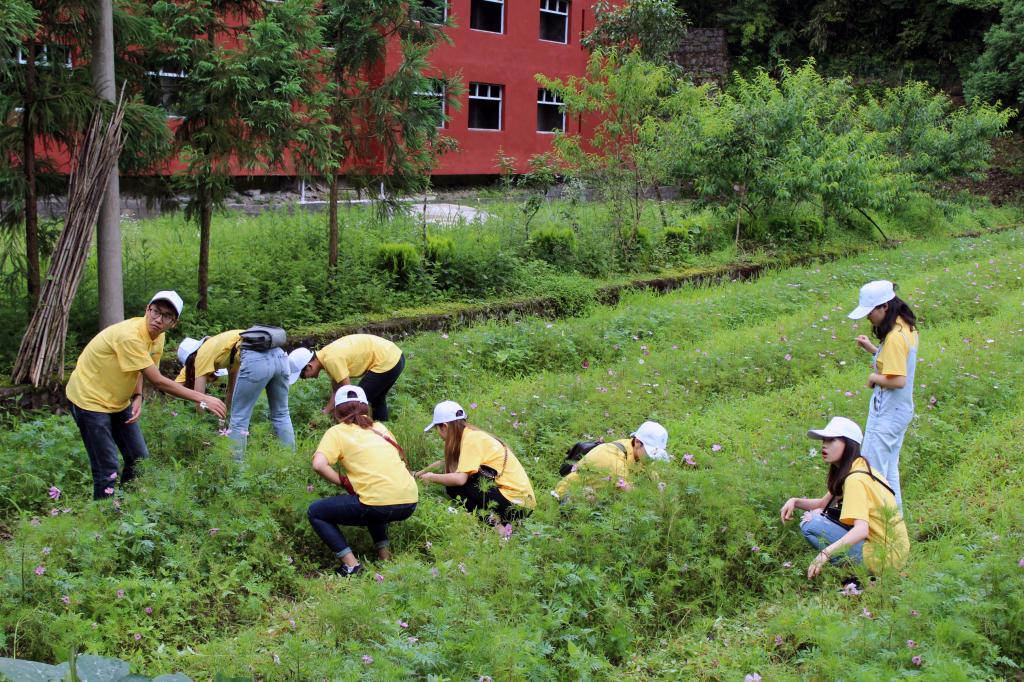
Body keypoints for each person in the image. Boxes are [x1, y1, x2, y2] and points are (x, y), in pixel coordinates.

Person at [66, 291, 227, 499]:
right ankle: (103, 514)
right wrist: (203, 397)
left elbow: (142, 368)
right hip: (89, 400)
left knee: (138, 458)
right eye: (156, 311)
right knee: (107, 468)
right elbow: (158, 380)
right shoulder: (129, 336)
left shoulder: (158, 337)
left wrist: (138, 395)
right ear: (147, 310)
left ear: (174, 323)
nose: (158, 319)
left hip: (117, 401)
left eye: (167, 316)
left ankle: (126, 504)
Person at [780, 416, 910, 582]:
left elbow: (861, 530)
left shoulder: (855, 479)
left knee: (810, 523)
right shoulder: (861, 469)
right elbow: (822, 504)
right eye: (824, 440)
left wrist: (825, 553)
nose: (824, 445)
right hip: (896, 553)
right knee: (818, 514)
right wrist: (795, 501)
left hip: (883, 558)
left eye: (831, 440)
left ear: (848, 444)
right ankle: (862, 577)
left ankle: (859, 578)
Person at [307, 385, 418, 576]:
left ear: (337, 411)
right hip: (409, 500)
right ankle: (385, 557)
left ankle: (351, 565)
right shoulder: (380, 428)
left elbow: (318, 464)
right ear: (366, 407)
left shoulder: (337, 432)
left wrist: (342, 482)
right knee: (371, 497)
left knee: (316, 512)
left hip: (378, 502)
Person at [848, 280, 919, 510]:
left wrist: (873, 378)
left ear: (885, 306)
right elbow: (893, 360)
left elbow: (898, 380)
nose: (868, 317)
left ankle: (876, 524)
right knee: (888, 472)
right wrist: (872, 349)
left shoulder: (895, 337)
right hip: (899, 411)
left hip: (887, 414)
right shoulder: (905, 327)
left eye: (870, 312)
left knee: (871, 472)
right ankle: (895, 521)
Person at [177, 329, 294, 460]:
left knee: (239, 418)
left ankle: (235, 466)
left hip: (256, 358)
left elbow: (199, 400)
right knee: (281, 414)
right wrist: (225, 415)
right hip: (280, 356)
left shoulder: (201, 355)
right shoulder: (223, 345)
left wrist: (203, 427)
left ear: (190, 359)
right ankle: (289, 460)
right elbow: (232, 390)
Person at [417, 400, 536, 523]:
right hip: (523, 504)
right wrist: (418, 474)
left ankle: (495, 525)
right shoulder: (471, 436)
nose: (438, 433)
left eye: (437, 428)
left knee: (455, 487)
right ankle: (497, 523)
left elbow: (459, 479)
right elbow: (445, 464)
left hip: (516, 505)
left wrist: (431, 477)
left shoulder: (471, 440)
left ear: (444, 427)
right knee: (459, 481)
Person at [287, 334, 404, 421]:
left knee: (356, 403)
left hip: (387, 360)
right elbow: (337, 392)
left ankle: (360, 434)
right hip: (394, 356)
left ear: (309, 366)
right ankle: (382, 430)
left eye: (302, 376)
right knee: (377, 399)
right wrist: (324, 413)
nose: (304, 379)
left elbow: (348, 393)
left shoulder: (331, 360)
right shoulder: (327, 356)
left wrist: (336, 418)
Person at [553, 421, 670, 499]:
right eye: (651, 454)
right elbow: (632, 494)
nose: (652, 459)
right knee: (592, 498)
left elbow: (652, 477)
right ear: (638, 442)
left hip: (601, 493)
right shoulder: (614, 459)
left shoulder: (634, 449)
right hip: (569, 495)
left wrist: (659, 486)